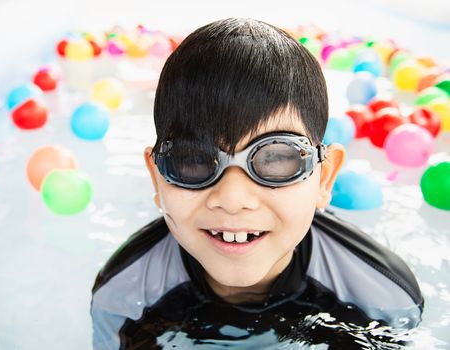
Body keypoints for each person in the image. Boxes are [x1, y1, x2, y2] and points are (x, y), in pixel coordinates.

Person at [90, 18, 423, 349]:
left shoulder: (383, 300)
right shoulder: (122, 298)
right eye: (192, 160)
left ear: (324, 177)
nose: (233, 198)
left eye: (276, 159)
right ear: (157, 177)